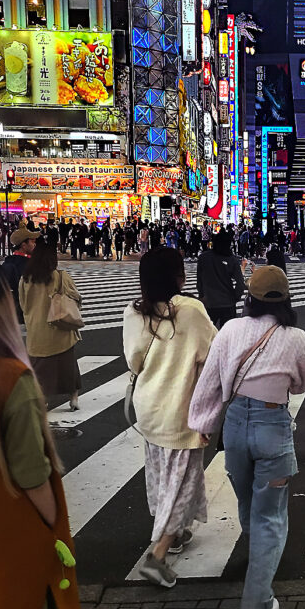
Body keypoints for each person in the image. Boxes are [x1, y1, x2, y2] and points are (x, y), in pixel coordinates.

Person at [188, 266, 305, 609]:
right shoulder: (297, 337)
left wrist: (201, 424)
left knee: (247, 498)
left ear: (250, 297)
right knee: (271, 514)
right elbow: (303, 383)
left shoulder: (230, 329)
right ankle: (257, 601)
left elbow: (210, 380)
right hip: (272, 424)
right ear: (287, 298)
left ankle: (257, 553)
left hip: (234, 426)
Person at [0, 269, 93, 609]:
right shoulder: (11, 379)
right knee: (29, 589)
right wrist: (53, 521)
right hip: (11, 512)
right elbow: (31, 471)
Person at [123, 248, 217, 588]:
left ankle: (176, 533)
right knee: (183, 481)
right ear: (178, 275)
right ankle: (158, 553)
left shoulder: (133, 313)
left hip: (148, 407)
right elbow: (213, 356)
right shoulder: (191, 312)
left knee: (161, 473)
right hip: (182, 409)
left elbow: (133, 362)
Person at [19, 243, 82, 411]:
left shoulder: (25, 279)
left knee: (40, 369)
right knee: (67, 366)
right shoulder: (60, 276)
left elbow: (23, 304)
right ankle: (73, 397)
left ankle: (43, 399)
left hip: (36, 331)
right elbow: (76, 298)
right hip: (59, 329)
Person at [197, 231, 246, 328]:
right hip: (227, 302)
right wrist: (236, 297)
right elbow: (240, 283)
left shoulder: (203, 258)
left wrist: (202, 295)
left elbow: (199, 280)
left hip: (209, 301)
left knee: (208, 334)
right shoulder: (232, 260)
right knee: (228, 336)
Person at [2, 224, 41, 319]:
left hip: (12, 314)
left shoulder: (8, 262)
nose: (35, 244)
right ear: (24, 245)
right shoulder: (28, 265)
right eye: (32, 242)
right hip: (29, 314)